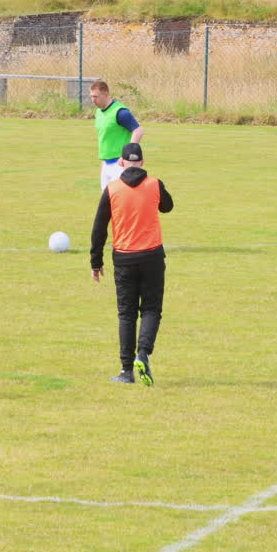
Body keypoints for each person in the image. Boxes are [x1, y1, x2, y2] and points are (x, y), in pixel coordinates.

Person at [90, 143, 173, 386]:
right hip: (152, 257)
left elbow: (99, 228)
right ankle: (143, 353)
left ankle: (127, 371)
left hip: (124, 258)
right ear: (143, 162)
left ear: (122, 163)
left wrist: (96, 261)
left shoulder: (112, 189)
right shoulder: (155, 184)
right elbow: (168, 207)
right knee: (151, 309)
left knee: (126, 314)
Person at [89, 80, 144, 190]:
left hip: (120, 164)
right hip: (106, 163)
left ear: (106, 94)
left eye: (96, 97)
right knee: (106, 202)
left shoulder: (120, 112)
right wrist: (104, 161)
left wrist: (127, 156)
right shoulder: (99, 112)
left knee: (119, 200)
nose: (93, 100)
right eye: (91, 96)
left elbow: (138, 131)